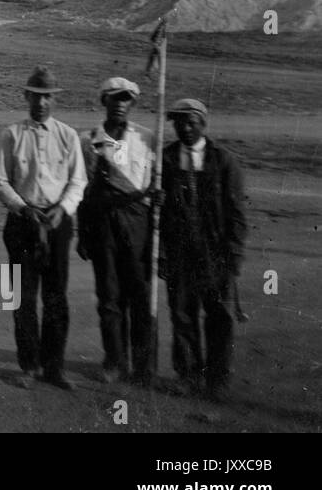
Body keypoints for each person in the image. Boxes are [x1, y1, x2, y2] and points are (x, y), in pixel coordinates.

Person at [0, 66, 86, 390]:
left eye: (48, 97)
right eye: (36, 96)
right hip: (22, 222)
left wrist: (62, 208)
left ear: (54, 100)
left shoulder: (68, 136)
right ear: (26, 96)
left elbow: (78, 181)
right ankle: (28, 365)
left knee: (56, 296)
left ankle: (54, 368)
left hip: (58, 223)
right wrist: (22, 207)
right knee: (23, 298)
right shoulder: (12, 134)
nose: (42, 102)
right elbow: (0, 182)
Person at [158, 99, 248, 402]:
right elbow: (159, 212)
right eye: (179, 121)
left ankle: (217, 379)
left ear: (203, 124)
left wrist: (234, 256)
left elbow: (237, 214)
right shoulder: (166, 159)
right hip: (179, 251)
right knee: (182, 314)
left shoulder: (223, 161)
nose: (185, 127)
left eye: (191, 121)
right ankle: (188, 375)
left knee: (219, 316)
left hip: (215, 252)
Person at [78, 78, 159, 385]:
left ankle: (143, 366)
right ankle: (114, 360)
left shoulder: (147, 138)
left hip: (137, 225)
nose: (121, 103)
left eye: (126, 99)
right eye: (115, 98)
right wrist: (83, 235)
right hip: (103, 225)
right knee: (109, 297)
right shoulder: (90, 140)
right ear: (104, 101)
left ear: (133, 103)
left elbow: (153, 186)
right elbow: (84, 191)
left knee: (140, 296)